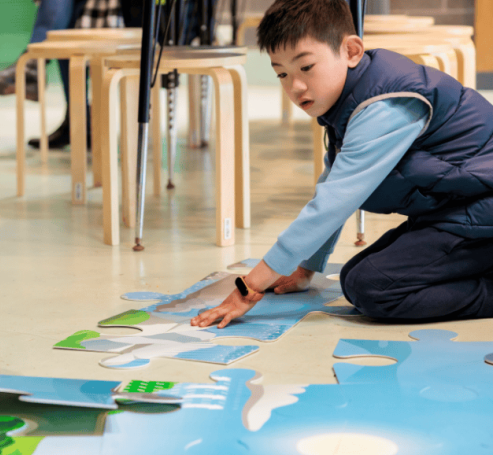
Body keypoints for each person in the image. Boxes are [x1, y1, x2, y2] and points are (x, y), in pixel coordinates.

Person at [192, 0, 493, 329]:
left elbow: (332, 203)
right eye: (282, 73)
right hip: (461, 209)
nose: (296, 86)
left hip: (479, 210)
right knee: (357, 276)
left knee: (372, 288)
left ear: (351, 51)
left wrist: (248, 289)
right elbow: (333, 182)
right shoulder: (354, 98)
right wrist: (307, 267)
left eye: (306, 67)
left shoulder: (385, 104)